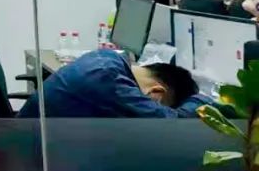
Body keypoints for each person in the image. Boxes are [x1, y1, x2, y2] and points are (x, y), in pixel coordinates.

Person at [17, 49, 203, 118]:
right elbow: (172, 122)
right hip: (30, 163)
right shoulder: (109, 82)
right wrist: (204, 100)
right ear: (156, 93)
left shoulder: (106, 57)